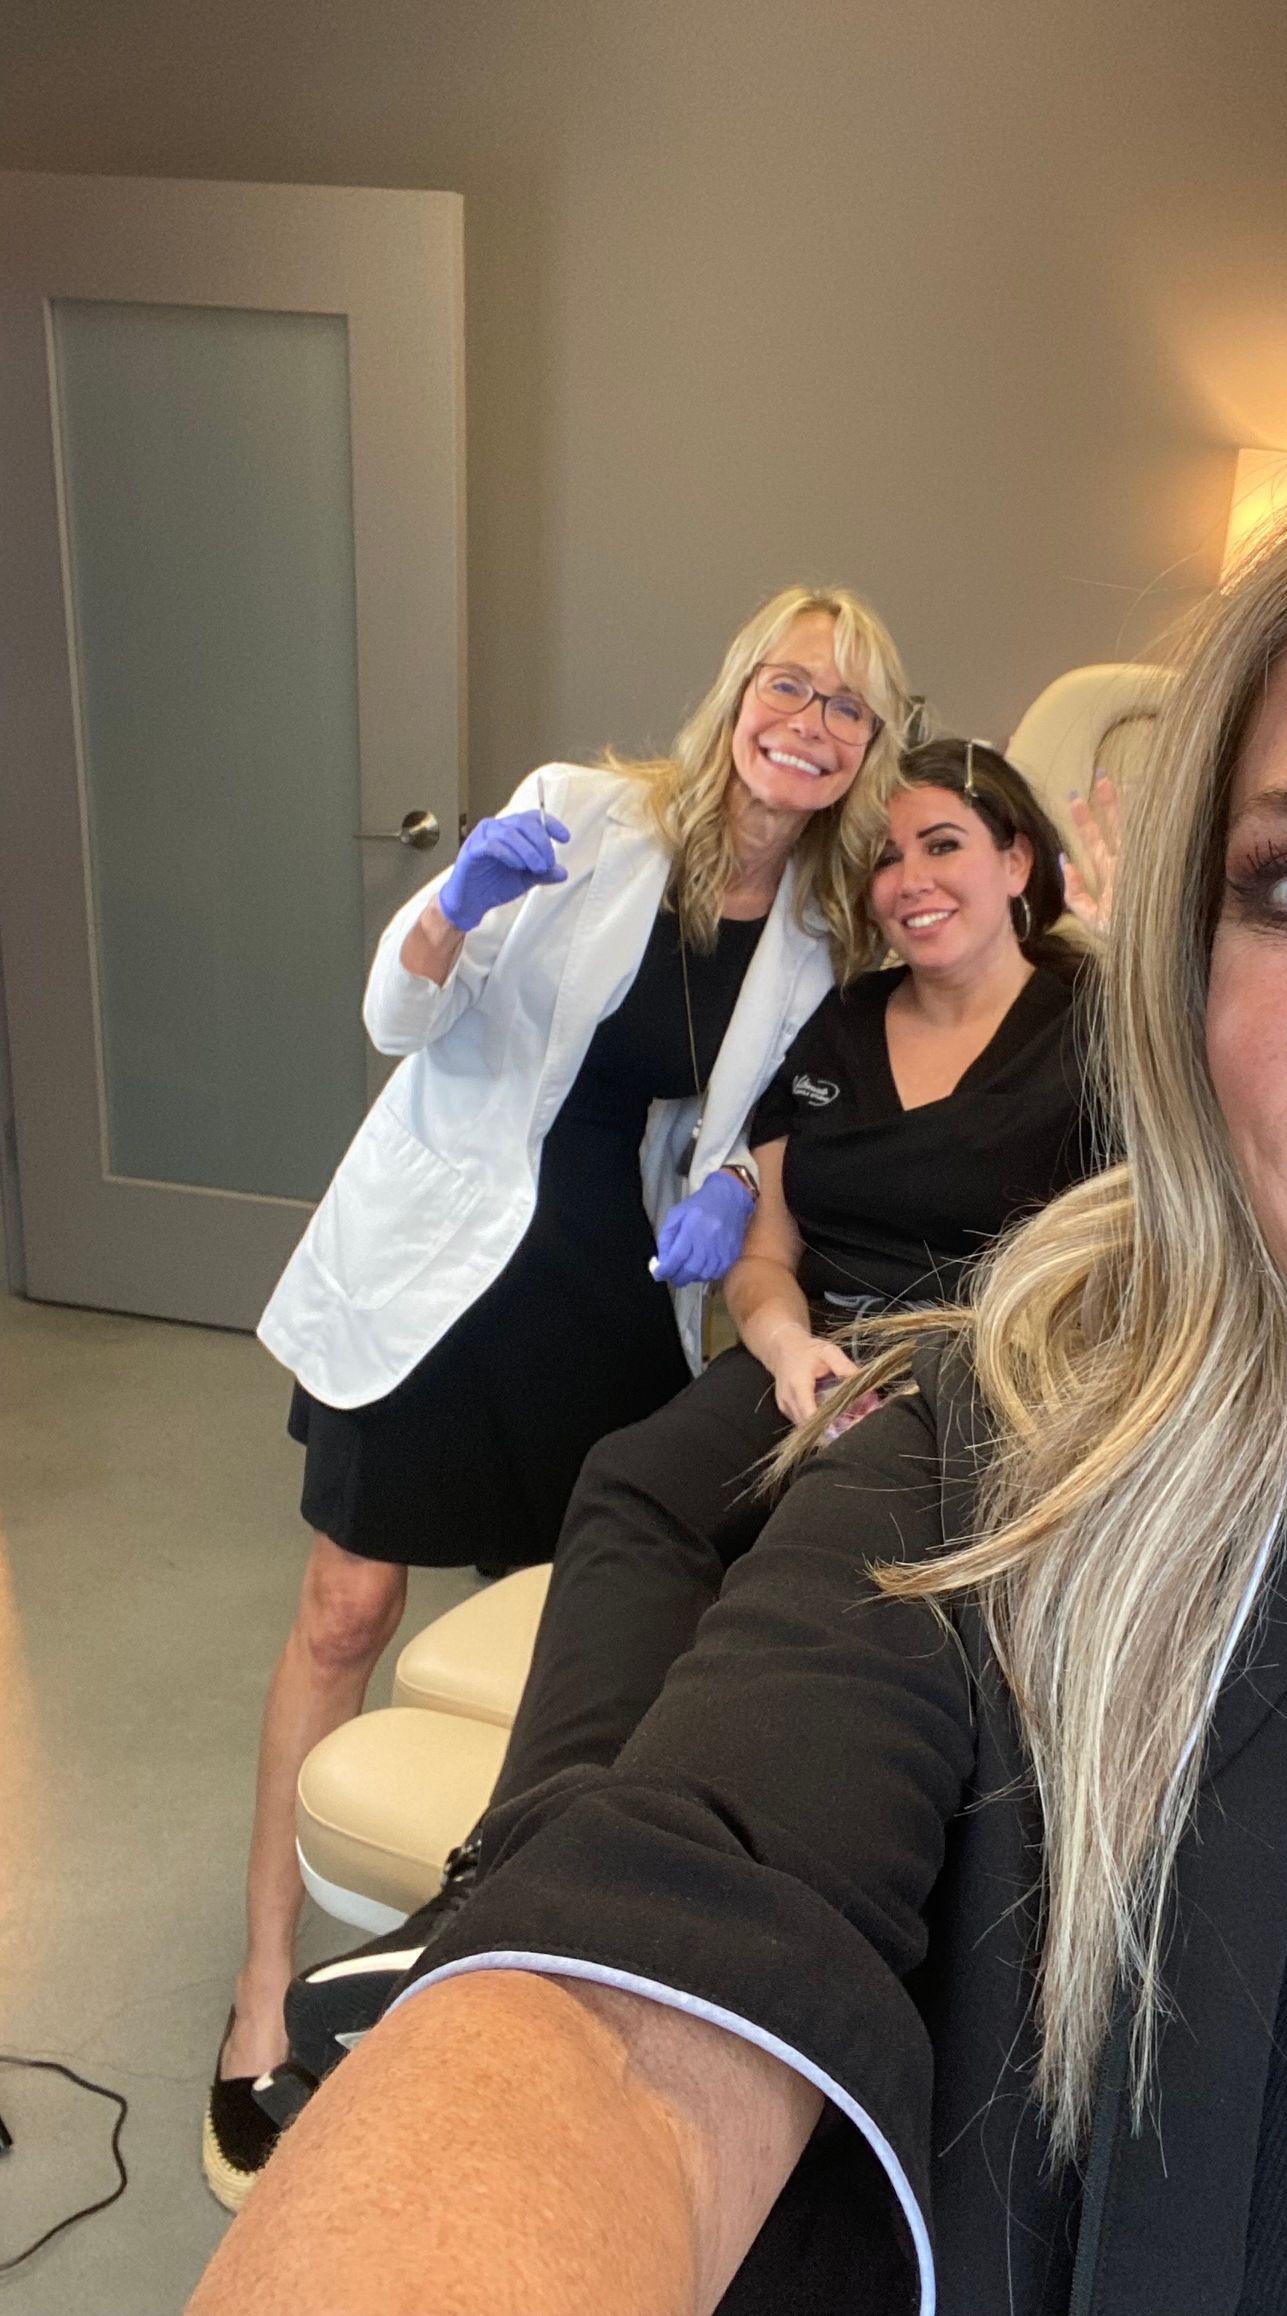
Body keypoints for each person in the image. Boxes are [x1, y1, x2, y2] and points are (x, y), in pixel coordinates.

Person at [185, 351, 1287, 2316]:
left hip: (728, 1315)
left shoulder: (976, 1013)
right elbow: (659, 1976)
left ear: (1031, 868)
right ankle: (423, 1935)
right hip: (517, 1279)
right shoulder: (990, 1455)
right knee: (435, 1582)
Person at [201, 584, 908, 2211]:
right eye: (787, 684)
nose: (807, 720)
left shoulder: (826, 923)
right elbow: (402, 1017)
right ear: (737, 691)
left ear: (870, 743)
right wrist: (447, 907)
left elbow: (748, 1126)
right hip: (445, 1256)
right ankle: (258, 1996)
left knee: (551, 1636)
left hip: (604, 1292)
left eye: (846, 706)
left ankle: (467, 1967)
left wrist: (728, 1197)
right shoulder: (576, 817)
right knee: (343, 1610)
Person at [278, 735, 1106, 2075]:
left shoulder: (1099, 1028)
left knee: (814, 1554)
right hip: (812, 1347)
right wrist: (780, 1349)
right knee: (631, 1481)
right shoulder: (840, 1023)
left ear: (1020, 861)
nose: (908, 878)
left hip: (983, 1368)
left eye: (944, 843)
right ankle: (510, 1873)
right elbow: (767, 1254)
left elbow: (1131, 1251)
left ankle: (721, 1943)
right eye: (886, 855)